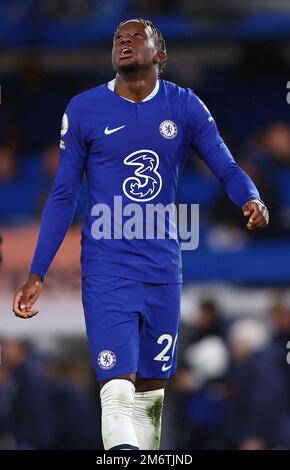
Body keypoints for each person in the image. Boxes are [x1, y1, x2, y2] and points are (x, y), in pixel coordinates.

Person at [12, 18, 269, 451]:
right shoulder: (83, 109)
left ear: (160, 56)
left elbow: (225, 165)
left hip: (164, 268)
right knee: (116, 390)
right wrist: (38, 272)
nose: (124, 42)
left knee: (150, 395)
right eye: (118, 38)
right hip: (107, 268)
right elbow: (62, 195)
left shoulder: (185, 105)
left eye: (136, 37)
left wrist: (251, 196)